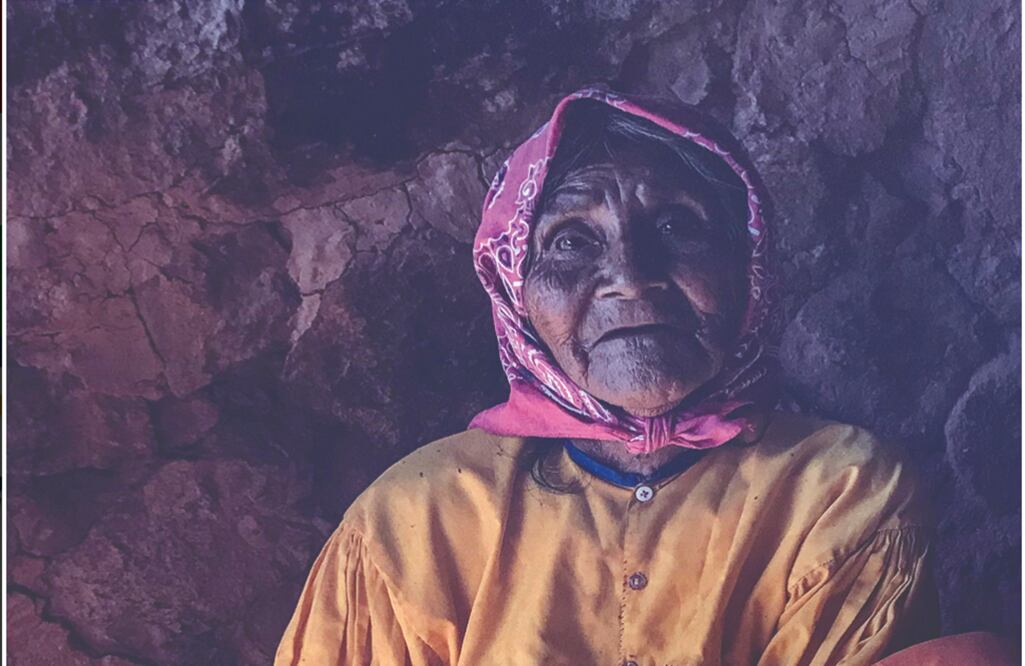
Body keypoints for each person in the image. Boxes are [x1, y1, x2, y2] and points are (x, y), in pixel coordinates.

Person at [274, 87, 978, 665]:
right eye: (572, 241)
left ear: (749, 268)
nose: (629, 280)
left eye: (676, 227)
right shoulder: (413, 516)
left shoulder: (836, 489)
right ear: (514, 291)